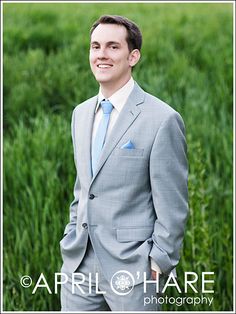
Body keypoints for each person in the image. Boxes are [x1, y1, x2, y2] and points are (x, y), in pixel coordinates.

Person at [60, 15, 188, 311]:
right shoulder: (80, 114)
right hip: (79, 266)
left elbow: (173, 204)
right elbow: (84, 189)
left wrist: (159, 262)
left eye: (112, 47)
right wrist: (71, 236)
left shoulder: (161, 119)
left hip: (134, 269)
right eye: (95, 46)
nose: (101, 54)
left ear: (133, 56)